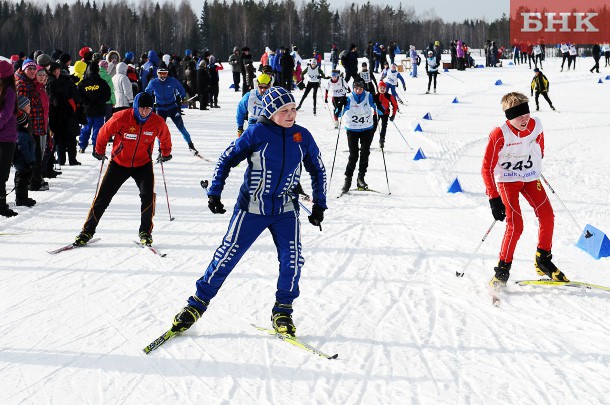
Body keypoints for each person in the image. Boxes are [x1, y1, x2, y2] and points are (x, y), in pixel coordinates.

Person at [169, 86, 327, 337]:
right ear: (271, 112)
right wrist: (215, 192)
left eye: (293, 109)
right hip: (252, 208)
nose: (291, 114)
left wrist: (319, 203)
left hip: (286, 209)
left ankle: (283, 311)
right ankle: (196, 305)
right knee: (227, 256)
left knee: (293, 259)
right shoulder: (257, 133)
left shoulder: (302, 136)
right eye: (284, 110)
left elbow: (317, 168)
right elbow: (226, 159)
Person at [482, 92, 568, 290]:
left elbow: (540, 146)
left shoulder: (536, 124)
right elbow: (486, 167)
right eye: (518, 115)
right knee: (516, 225)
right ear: (509, 116)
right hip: (508, 181)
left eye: (526, 113)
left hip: (529, 178)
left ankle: (543, 259)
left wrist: (533, 163)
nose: (524, 119)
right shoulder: (499, 134)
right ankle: (502, 271)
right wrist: (494, 198)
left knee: (548, 216)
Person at [73, 92, 172, 247]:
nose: (145, 112)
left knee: (148, 196)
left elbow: (165, 137)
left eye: (148, 108)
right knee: (103, 197)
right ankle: (87, 231)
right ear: (136, 106)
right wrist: (99, 150)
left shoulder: (156, 122)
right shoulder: (122, 117)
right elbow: (104, 132)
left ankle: (145, 232)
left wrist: (166, 153)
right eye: (142, 108)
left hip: (143, 164)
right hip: (119, 164)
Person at [338, 80, 381, 193]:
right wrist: (340, 105)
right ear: (353, 88)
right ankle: (348, 180)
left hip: (367, 128)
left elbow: (381, 111)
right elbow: (338, 114)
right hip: (352, 129)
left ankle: (361, 178)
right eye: (356, 88)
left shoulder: (368, 96)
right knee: (353, 154)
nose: (358, 91)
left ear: (363, 88)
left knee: (365, 152)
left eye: (360, 89)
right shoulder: (349, 98)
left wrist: (378, 102)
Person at [145, 67, 199, 155]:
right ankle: (160, 149)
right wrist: (147, 101)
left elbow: (181, 89)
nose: (163, 76)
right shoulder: (153, 82)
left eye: (165, 74)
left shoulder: (172, 81)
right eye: (161, 74)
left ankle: (191, 146)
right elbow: (147, 92)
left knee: (181, 127)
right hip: (160, 109)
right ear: (157, 73)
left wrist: (183, 97)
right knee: (160, 130)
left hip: (172, 107)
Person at [77, 62, 111, 154]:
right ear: (98, 71)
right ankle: (96, 148)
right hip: (99, 110)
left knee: (85, 129)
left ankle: (82, 146)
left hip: (87, 110)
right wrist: (99, 101)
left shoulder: (83, 83)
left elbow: (79, 95)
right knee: (98, 130)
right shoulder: (103, 83)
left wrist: (87, 102)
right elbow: (107, 95)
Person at [0, 60, 19, 217]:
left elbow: (6, 115)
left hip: (6, 138)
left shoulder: (9, 91)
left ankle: (1, 204)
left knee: (2, 173)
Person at [13, 95, 36, 208]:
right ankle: (21, 199)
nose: (30, 107)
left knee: (25, 180)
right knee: (22, 180)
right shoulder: (21, 133)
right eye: (28, 106)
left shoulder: (24, 129)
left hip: (25, 160)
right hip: (22, 161)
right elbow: (22, 148)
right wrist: (30, 160)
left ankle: (23, 197)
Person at [373, 81, 398, 149]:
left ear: (386, 88)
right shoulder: (375, 96)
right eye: (380, 88)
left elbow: (395, 105)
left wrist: (393, 115)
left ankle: (382, 140)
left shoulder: (389, 96)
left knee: (384, 127)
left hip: (385, 113)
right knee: (373, 127)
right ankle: (368, 141)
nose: (382, 89)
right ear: (378, 88)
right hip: (376, 113)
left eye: (384, 88)